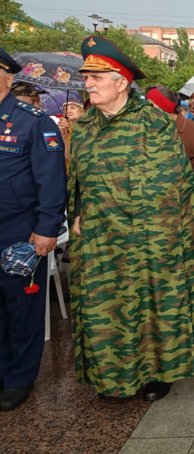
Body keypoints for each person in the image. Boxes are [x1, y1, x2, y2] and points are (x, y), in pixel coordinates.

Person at [68, 36, 194, 401]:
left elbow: (174, 187)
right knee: (102, 309)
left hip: (147, 241)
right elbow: (75, 184)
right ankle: (110, 378)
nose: (89, 83)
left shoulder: (155, 125)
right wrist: (77, 215)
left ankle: (157, 372)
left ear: (123, 82)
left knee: (150, 306)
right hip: (99, 242)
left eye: (98, 76)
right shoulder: (83, 128)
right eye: (87, 77)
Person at [0, 49, 66, 411]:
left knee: (21, 309)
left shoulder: (33, 121)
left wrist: (46, 229)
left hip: (20, 231)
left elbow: (51, 181)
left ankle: (18, 379)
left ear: (9, 78)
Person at [146, 85, 194, 181]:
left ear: (164, 107)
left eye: (152, 105)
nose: (147, 109)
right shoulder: (152, 125)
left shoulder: (188, 127)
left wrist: (180, 185)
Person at [58, 93, 85, 168]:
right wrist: (62, 134)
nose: (68, 110)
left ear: (82, 112)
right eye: (65, 109)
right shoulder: (64, 128)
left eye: (72, 108)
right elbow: (66, 156)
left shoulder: (87, 127)